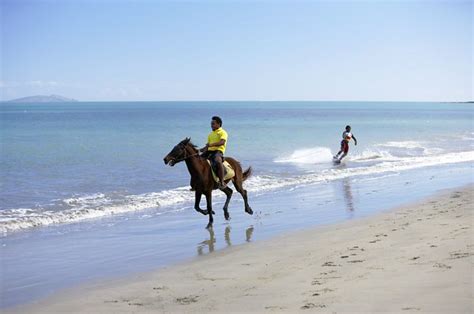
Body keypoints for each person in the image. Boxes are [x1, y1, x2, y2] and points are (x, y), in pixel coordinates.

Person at [200, 116, 228, 190]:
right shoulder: (210, 134)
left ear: (219, 124)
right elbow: (207, 147)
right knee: (198, 161)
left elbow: (222, 142)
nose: (211, 125)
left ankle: (222, 182)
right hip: (209, 151)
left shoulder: (223, 132)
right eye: (211, 124)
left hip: (218, 151)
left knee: (218, 161)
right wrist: (199, 150)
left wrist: (211, 145)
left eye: (213, 124)